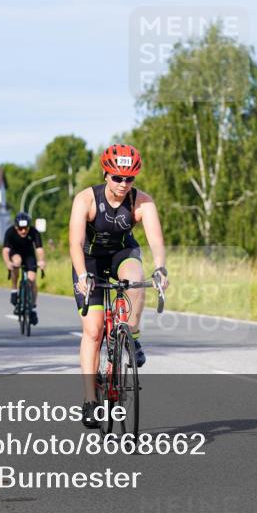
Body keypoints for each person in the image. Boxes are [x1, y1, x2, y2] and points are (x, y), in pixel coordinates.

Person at [69, 144, 168, 429]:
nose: (123, 184)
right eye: (117, 178)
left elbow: (156, 242)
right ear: (105, 174)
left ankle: (132, 334)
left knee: (136, 282)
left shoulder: (142, 202)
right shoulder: (86, 199)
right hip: (88, 259)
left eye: (130, 178)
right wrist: (81, 275)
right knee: (93, 329)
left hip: (122, 254)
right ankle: (90, 400)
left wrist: (160, 268)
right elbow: (74, 243)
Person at [2, 211, 46, 325]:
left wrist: (41, 261)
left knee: (32, 280)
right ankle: (14, 289)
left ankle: (31, 307)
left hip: (29, 255)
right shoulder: (10, 232)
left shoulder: (34, 232)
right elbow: (6, 251)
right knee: (16, 262)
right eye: (20, 228)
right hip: (15, 253)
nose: (23, 231)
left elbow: (39, 249)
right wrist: (8, 263)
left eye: (25, 228)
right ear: (16, 227)